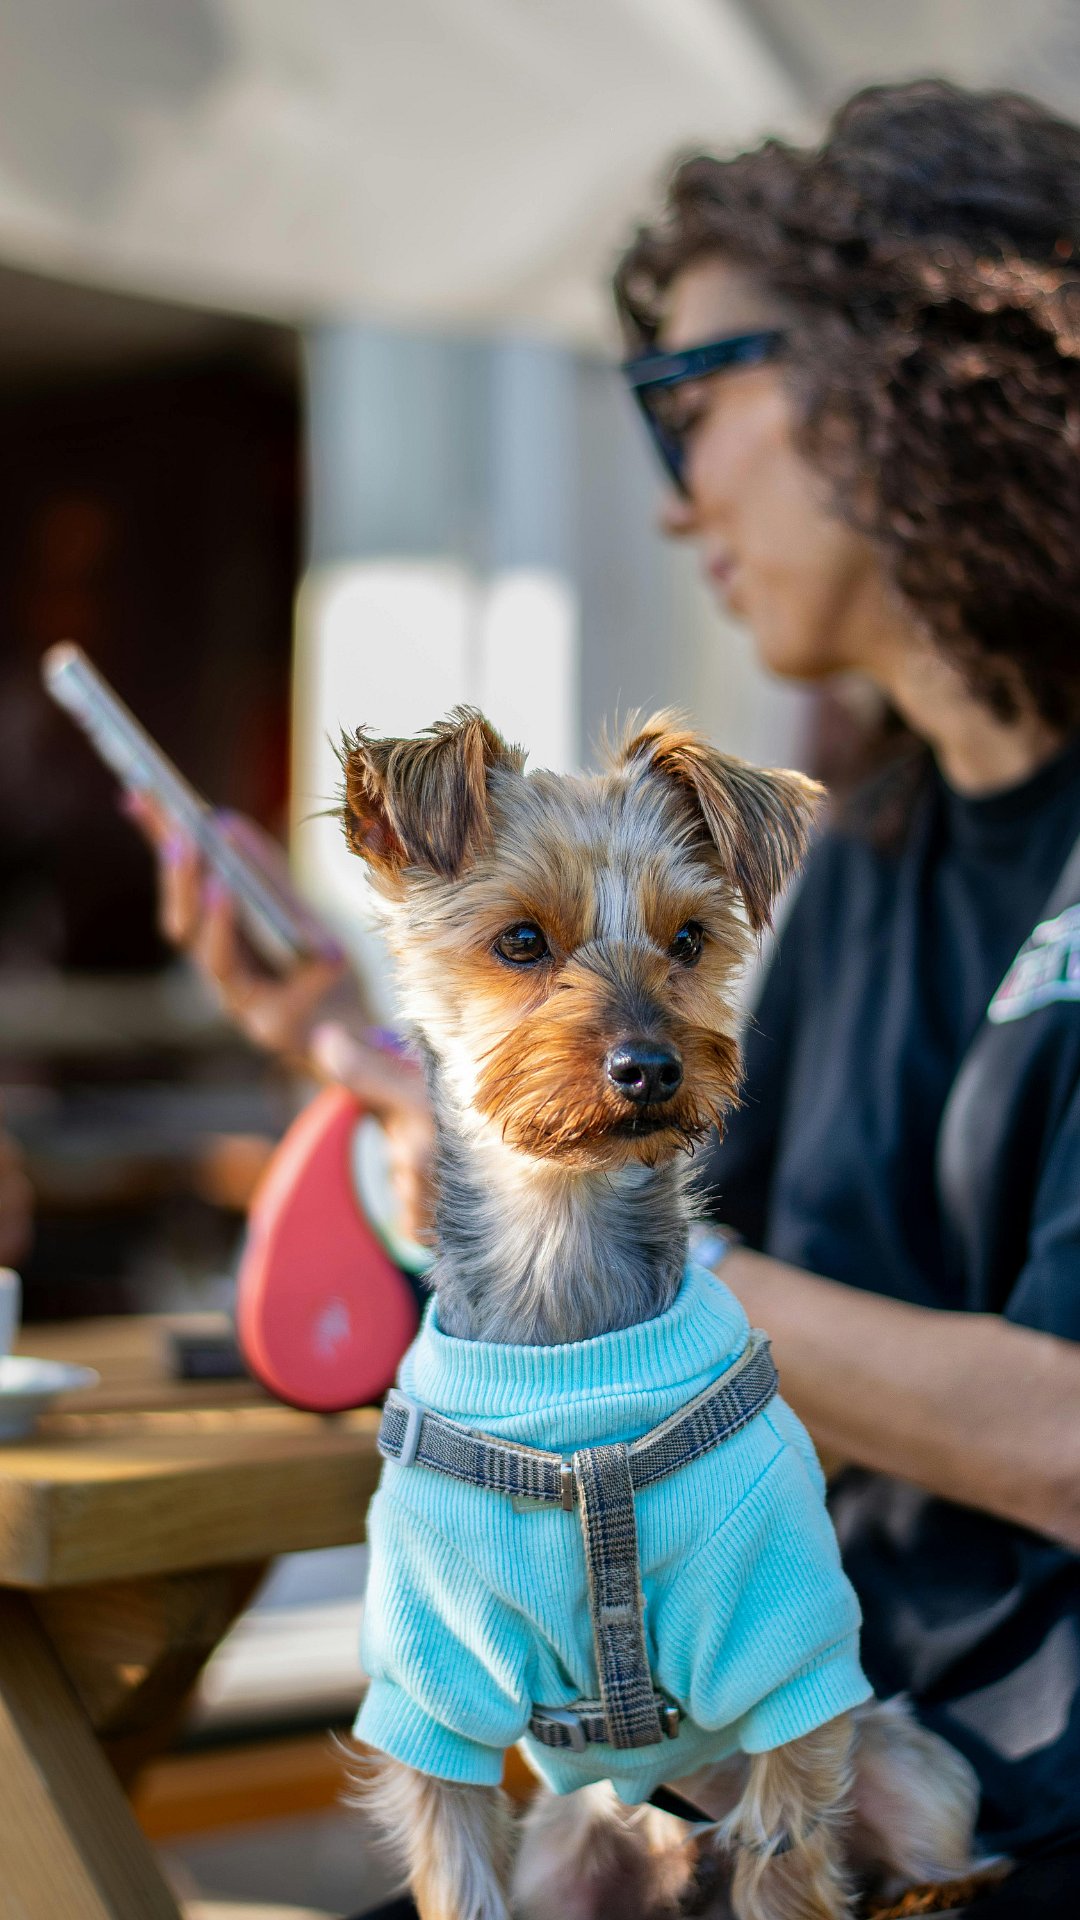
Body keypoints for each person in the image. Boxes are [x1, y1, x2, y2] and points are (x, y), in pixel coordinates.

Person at [141, 80, 1080, 1917]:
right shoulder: (868, 852)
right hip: (729, 1756)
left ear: (902, 375)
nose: (674, 504)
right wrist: (387, 1054)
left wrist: (620, 1282)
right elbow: (644, 1116)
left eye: (691, 403)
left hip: (1012, 1793)